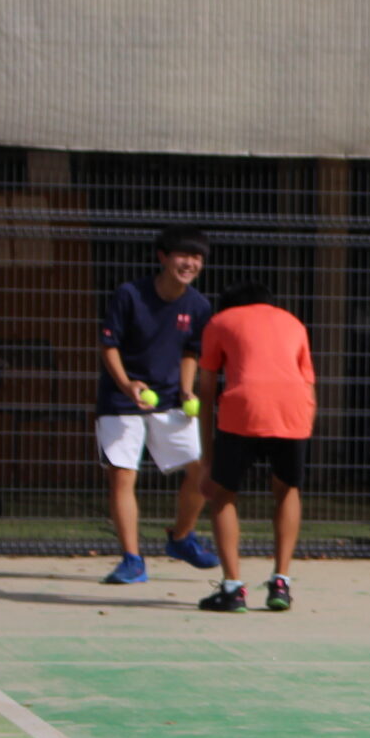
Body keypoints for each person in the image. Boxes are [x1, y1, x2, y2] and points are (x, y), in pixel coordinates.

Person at [96, 225, 220, 584]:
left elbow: (190, 352)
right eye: (183, 255)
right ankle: (132, 560)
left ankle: (181, 538)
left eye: (196, 257)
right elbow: (109, 346)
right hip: (120, 401)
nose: (190, 263)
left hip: (170, 401)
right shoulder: (129, 294)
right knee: (123, 476)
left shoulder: (199, 305)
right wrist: (127, 384)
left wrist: (186, 390)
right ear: (163, 257)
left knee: (202, 472)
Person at [194, 284, 316, 613]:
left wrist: (207, 460)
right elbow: (308, 385)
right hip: (294, 410)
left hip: (243, 409)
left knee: (223, 494)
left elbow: (206, 390)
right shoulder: (293, 322)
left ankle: (233, 588)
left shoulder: (220, 322)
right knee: (287, 489)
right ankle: (281, 583)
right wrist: (303, 428)